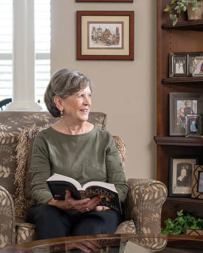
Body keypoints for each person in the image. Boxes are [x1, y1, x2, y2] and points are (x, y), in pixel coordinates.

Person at [27, 69, 128, 240]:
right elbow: (38, 188)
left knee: (90, 229)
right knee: (48, 219)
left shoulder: (104, 138)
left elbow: (120, 186)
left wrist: (100, 206)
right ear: (59, 102)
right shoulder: (44, 139)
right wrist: (62, 204)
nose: (87, 102)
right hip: (55, 210)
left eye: (89, 95)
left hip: (97, 212)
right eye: (80, 95)